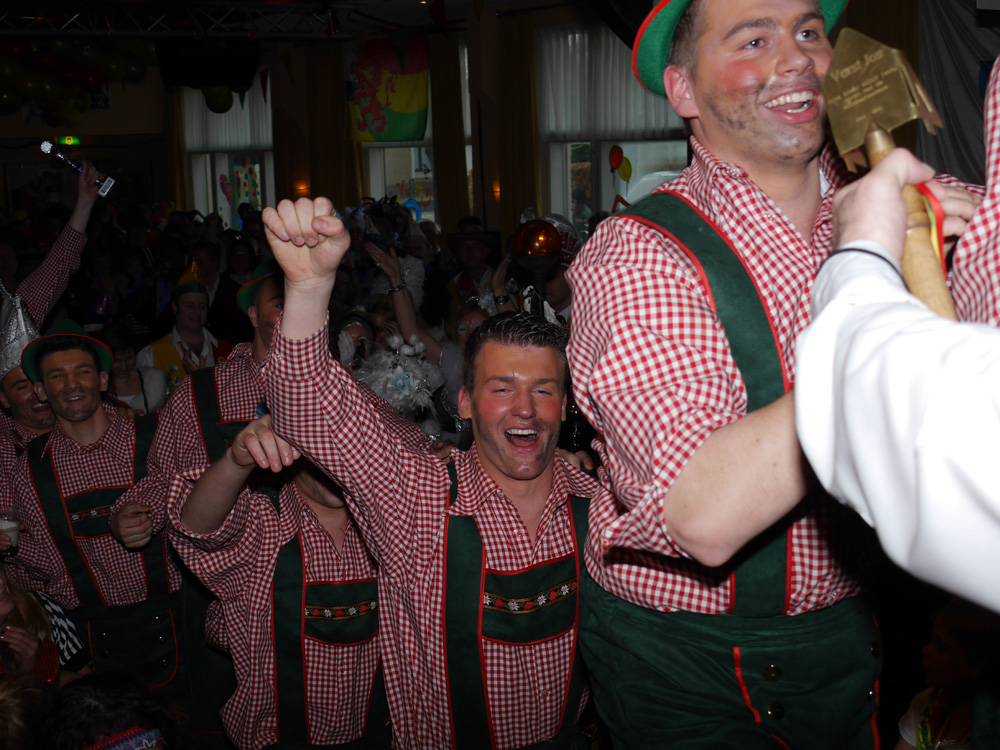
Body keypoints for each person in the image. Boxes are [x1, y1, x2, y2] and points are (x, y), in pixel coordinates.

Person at [565, 0, 983, 746]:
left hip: (857, 625)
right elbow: (702, 513)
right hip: (684, 660)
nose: (797, 57)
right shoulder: (638, 252)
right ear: (683, 89)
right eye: (754, 39)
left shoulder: (917, 206)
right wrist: (872, 305)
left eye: (809, 32)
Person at [259, 196, 603, 749]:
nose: (525, 409)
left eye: (543, 390)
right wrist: (308, 288)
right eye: (502, 389)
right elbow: (306, 409)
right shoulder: (416, 497)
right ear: (464, 402)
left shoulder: (598, 503)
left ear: (565, 407)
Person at [796, 147, 1000, 615]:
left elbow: (959, 442)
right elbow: (698, 524)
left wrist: (862, 257)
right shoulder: (644, 244)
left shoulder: (949, 200)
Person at [167, 420, 389, 750]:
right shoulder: (263, 521)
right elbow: (198, 528)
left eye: (347, 449)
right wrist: (235, 462)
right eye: (320, 450)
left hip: (380, 736)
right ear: (289, 451)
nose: (335, 463)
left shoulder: (390, 526)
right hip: (276, 741)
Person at [4, 322, 185, 698]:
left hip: (182, 629)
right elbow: (41, 569)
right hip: (89, 646)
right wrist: (10, 549)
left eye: (82, 371)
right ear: (41, 391)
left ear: (103, 380)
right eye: (57, 376)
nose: (71, 384)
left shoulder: (158, 438)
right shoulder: (26, 472)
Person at [895, 598, 1000, 749]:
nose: (925, 650)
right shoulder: (926, 704)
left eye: (942, 647)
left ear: (977, 666)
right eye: (932, 640)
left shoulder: (993, 728)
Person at [136, 261, 234, 392]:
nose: (197, 312)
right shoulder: (150, 356)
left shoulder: (228, 351)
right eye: (189, 306)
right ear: (175, 307)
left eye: (202, 306)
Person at [101, 324, 169, 414]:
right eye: (117, 361)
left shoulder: (155, 381)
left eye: (129, 358)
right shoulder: (98, 386)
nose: (124, 366)